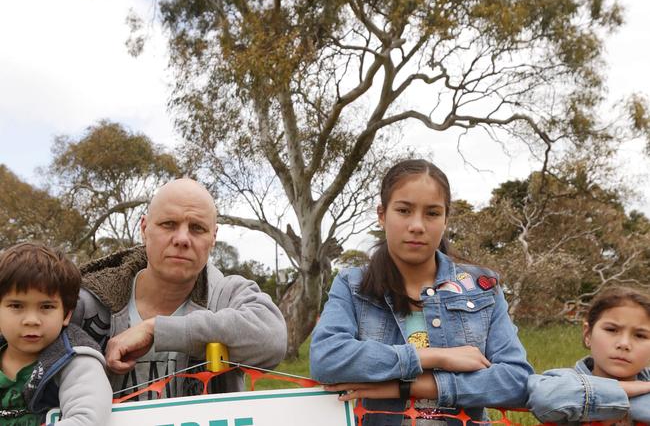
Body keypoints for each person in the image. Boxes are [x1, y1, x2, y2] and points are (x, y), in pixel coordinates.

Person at [310, 159, 533, 426]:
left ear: (446, 219)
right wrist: (435, 356)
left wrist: (407, 387)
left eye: (432, 213)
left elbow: (516, 380)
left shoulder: (482, 287)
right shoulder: (353, 284)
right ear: (382, 215)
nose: (417, 225)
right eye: (404, 210)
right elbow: (327, 358)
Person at [71, 178, 287, 398]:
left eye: (197, 228)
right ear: (144, 229)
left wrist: (155, 329)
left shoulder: (227, 295)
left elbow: (273, 341)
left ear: (213, 237)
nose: (182, 239)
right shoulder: (86, 302)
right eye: (168, 224)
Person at [0, 242, 112, 426]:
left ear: (66, 314)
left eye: (46, 307)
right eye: (16, 306)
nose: (31, 320)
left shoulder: (77, 360)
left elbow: (87, 419)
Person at [527, 286, 650, 424]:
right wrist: (632, 389)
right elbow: (546, 399)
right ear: (588, 334)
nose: (624, 344)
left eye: (640, 335)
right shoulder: (563, 381)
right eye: (611, 329)